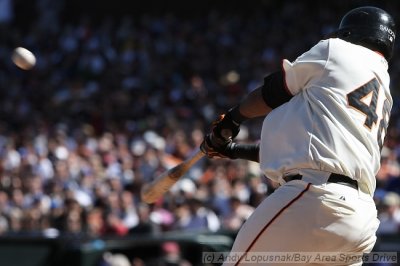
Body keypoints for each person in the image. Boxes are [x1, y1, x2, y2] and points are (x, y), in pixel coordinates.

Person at [200, 6, 396, 266]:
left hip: (315, 199)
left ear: (348, 32)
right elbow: (307, 151)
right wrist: (233, 149)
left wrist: (233, 119)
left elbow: (273, 92)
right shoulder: (382, 86)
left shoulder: (336, 50)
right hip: (360, 219)